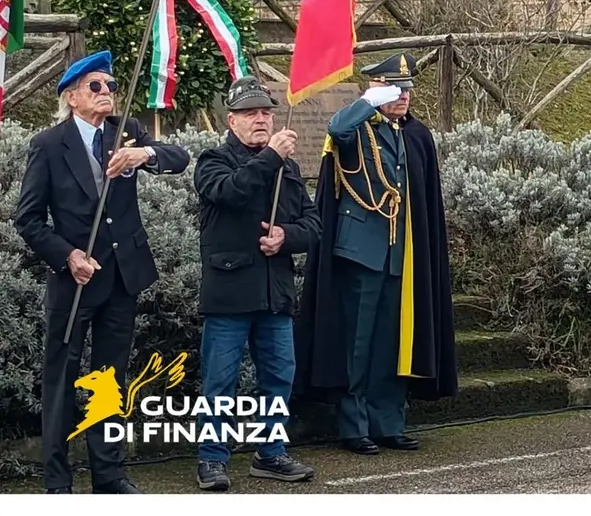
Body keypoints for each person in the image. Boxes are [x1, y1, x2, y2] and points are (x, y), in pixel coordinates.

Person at [13, 50, 190, 494]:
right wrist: (68, 254)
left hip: (122, 277)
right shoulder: (49, 145)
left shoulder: (125, 133)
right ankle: (57, 481)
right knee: (61, 380)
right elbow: (28, 219)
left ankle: (109, 476)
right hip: (74, 282)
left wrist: (142, 155)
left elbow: (179, 156)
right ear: (72, 97)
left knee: (110, 380)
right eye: (96, 86)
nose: (107, 92)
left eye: (110, 85)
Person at [294, 52, 458, 455]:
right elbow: (336, 128)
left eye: (407, 90)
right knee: (357, 344)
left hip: (403, 253)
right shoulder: (358, 128)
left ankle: (389, 422)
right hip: (360, 252)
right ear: (377, 89)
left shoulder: (416, 135)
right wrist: (367, 101)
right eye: (394, 89)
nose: (404, 96)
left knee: (392, 343)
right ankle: (355, 427)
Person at [192, 76, 321, 491]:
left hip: (275, 293)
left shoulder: (290, 167)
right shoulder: (213, 160)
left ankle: (271, 453)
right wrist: (270, 158)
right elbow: (230, 192)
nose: (261, 119)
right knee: (220, 381)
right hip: (229, 294)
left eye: (266, 112)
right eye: (251, 114)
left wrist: (287, 236)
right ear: (232, 120)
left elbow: (313, 224)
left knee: (279, 377)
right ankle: (211, 459)